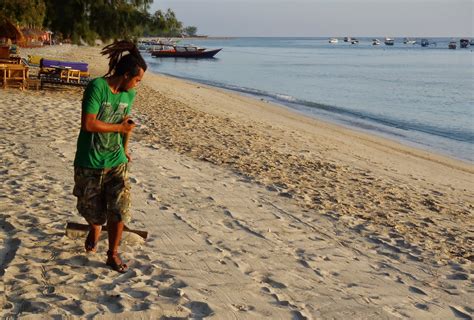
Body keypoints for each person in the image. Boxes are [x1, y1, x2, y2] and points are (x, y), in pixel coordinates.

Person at [73, 40, 147, 273]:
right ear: (125, 75)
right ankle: (95, 227)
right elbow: (89, 124)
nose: (137, 85)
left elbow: (127, 124)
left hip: (116, 161)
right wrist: (119, 130)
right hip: (90, 161)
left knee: (120, 208)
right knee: (92, 212)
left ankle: (112, 254)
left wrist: (124, 149)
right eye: (136, 80)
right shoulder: (97, 87)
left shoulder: (129, 95)